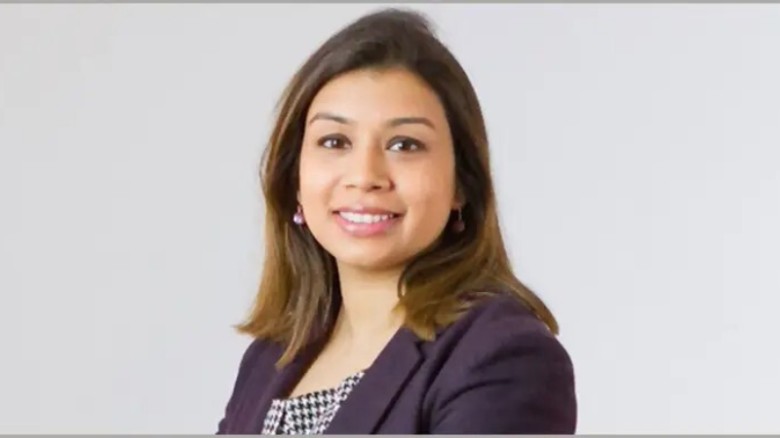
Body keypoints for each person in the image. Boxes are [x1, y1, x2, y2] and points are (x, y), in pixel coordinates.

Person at [216, 7, 576, 434]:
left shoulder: (505, 358)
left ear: (461, 184)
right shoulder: (271, 356)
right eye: (335, 141)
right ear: (294, 178)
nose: (365, 176)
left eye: (404, 145)